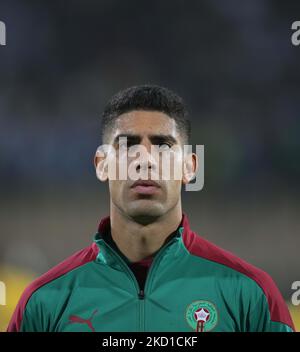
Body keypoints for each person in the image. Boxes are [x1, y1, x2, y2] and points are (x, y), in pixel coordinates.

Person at [7, 85, 295, 332]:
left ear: (190, 167)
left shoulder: (252, 295)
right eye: (128, 145)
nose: (145, 160)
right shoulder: (44, 302)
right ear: (101, 165)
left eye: (163, 146)